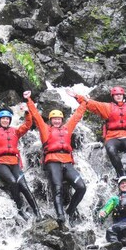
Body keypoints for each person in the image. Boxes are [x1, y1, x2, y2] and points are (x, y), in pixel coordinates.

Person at [24, 90, 88, 228]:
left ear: (62, 120)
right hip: (53, 161)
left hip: (66, 161)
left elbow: (77, 115)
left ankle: (69, 211)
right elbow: (35, 115)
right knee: (57, 189)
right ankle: (60, 215)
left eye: (59, 119)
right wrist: (28, 99)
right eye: (54, 119)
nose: (57, 121)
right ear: (50, 120)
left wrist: (79, 97)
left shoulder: (67, 128)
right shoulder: (45, 129)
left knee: (81, 187)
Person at [0, 98, 40, 219]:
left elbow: (27, 125)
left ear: (9, 120)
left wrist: (27, 113)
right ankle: (20, 209)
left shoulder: (15, 131)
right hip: (1, 163)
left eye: (7, 119)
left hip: (14, 163)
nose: (5, 120)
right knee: (13, 182)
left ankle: (37, 212)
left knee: (23, 185)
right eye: (3, 118)